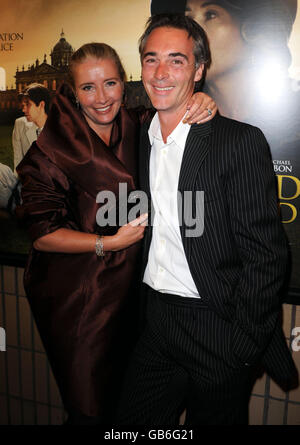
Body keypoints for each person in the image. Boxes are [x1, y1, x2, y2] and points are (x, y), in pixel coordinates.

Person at [16, 42, 216, 424]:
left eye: (110, 83)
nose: (102, 98)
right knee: (89, 407)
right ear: (72, 92)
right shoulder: (47, 152)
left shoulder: (141, 126)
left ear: (124, 84)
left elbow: (178, 114)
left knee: (131, 410)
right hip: (80, 299)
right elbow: (42, 235)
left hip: (135, 298)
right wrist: (107, 242)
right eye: (88, 88)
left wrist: (202, 101)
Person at [117, 13, 297, 425]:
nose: (161, 73)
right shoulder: (134, 137)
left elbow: (266, 256)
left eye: (176, 60)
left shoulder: (238, 142)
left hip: (217, 324)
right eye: (151, 59)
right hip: (157, 321)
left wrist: (242, 345)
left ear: (198, 70)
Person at [150, 0, 300, 293]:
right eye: (187, 17)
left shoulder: (291, 121)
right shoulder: (169, 125)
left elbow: (266, 255)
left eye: (210, 14)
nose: (193, 30)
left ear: (252, 29)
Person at [13, 83, 50, 173]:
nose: (23, 110)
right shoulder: (20, 124)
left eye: (28, 104)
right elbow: (18, 162)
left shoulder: (60, 129)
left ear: (41, 105)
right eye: (23, 105)